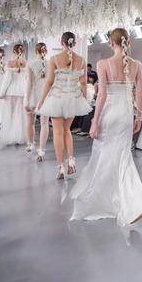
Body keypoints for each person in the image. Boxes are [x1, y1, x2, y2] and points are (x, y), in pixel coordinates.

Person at [69, 28, 142, 226]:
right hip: (126, 114)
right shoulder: (137, 65)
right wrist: (138, 117)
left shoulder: (103, 64)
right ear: (128, 43)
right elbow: (139, 93)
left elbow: (102, 95)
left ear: (111, 43)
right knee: (123, 158)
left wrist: (94, 121)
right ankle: (129, 203)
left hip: (110, 113)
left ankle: (109, 201)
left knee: (103, 157)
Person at [36, 32, 92, 179]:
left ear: (61, 42)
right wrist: (84, 99)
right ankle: (71, 161)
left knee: (58, 133)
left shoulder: (54, 59)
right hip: (73, 99)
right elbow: (83, 83)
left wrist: (41, 100)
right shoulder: (81, 60)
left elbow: (49, 82)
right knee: (67, 130)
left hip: (57, 98)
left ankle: (61, 167)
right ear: (75, 43)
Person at [24, 43, 50, 161]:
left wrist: (26, 99)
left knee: (30, 122)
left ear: (36, 51)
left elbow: (29, 83)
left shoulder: (30, 64)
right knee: (45, 124)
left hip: (33, 96)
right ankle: (41, 150)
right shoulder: (51, 63)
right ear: (46, 51)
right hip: (46, 96)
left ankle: (30, 144)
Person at [0, 44, 27, 146]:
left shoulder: (10, 63)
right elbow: (27, 80)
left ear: (14, 52)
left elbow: (7, 80)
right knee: (20, 115)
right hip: (22, 91)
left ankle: (9, 137)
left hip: (12, 91)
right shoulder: (26, 63)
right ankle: (19, 137)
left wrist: (2, 93)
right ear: (23, 52)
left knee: (10, 114)